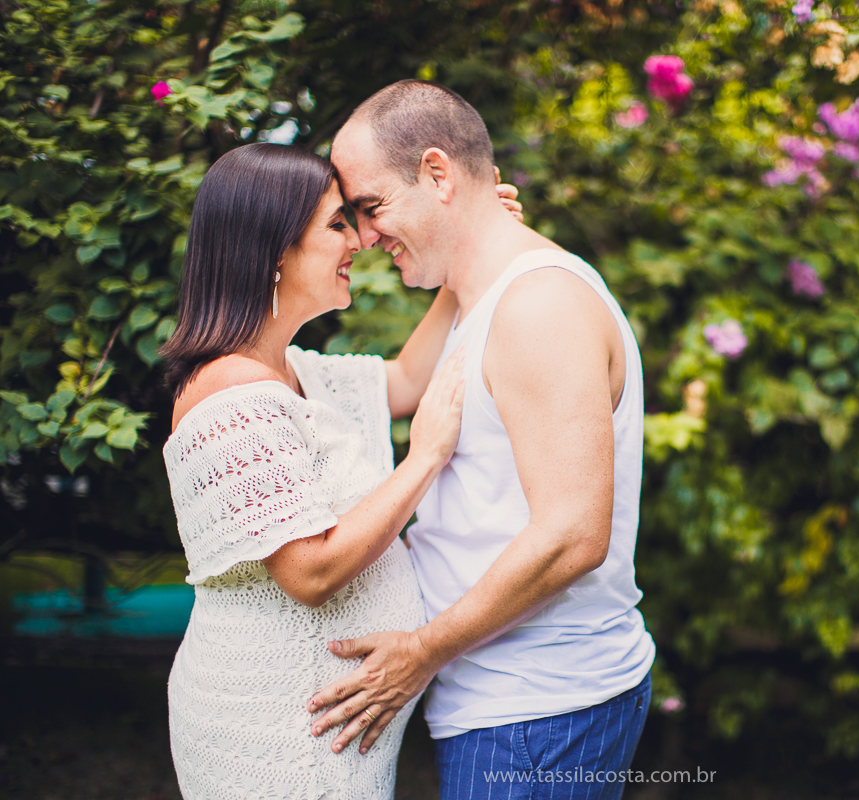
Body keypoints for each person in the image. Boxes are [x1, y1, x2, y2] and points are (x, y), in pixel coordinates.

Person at [307, 80, 656, 800]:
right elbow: (403, 384)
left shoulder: (538, 308)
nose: (365, 237)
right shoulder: (488, 299)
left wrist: (420, 654)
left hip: (536, 715)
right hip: (513, 705)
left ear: (438, 174)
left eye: (371, 208)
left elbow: (572, 534)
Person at [159, 142, 522, 800]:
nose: (358, 240)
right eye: (335, 224)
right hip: (275, 732)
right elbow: (310, 572)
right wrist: (424, 459)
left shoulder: (300, 373)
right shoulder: (229, 396)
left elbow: (410, 379)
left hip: (326, 720)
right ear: (273, 251)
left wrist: (469, 255)